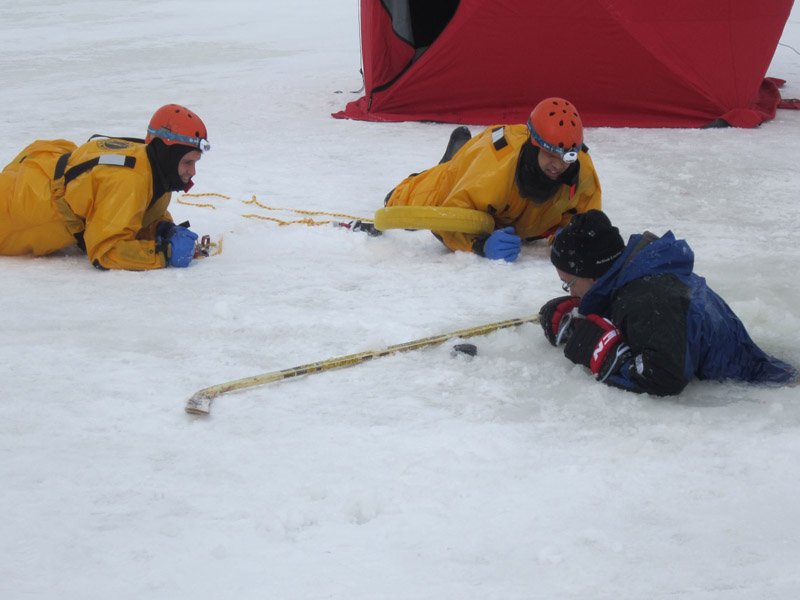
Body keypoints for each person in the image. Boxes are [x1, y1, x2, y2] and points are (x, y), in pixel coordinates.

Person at [538, 210, 797, 395]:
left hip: (760, 391)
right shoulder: (639, 277)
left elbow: (664, 377)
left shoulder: (647, 298)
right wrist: (582, 317)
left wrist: (604, 356)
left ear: (593, 272)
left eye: (569, 283)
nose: (570, 292)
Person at [384, 97, 601, 262]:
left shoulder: (582, 172)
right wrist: (481, 245)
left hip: (510, 207)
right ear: (534, 145)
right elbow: (448, 222)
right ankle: (453, 159)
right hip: (476, 161)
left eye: (566, 157)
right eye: (551, 155)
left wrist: (570, 235)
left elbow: (589, 220)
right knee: (399, 199)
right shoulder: (494, 169)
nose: (559, 165)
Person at [0, 104, 209, 270]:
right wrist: (164, 252)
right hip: (21, 207)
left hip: (43, 166)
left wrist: (162, 227)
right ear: (166, 155)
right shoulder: (129, 182)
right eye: (188, 162)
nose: (192, 172)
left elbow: (132, 212)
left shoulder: (154, 168)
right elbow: (106, 251)